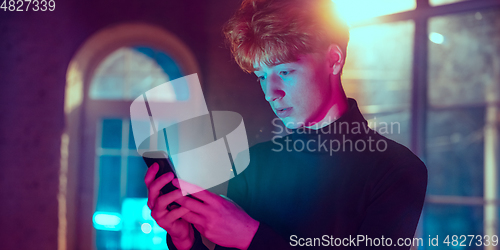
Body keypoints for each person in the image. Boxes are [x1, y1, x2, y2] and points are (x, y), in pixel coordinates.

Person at [144, 0, 428, 249]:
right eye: (262, 76)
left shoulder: (398, 170)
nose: (271, 92)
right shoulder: (255, 163)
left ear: (333, 59)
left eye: (285, 71)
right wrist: (185, 241)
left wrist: (251, 237)